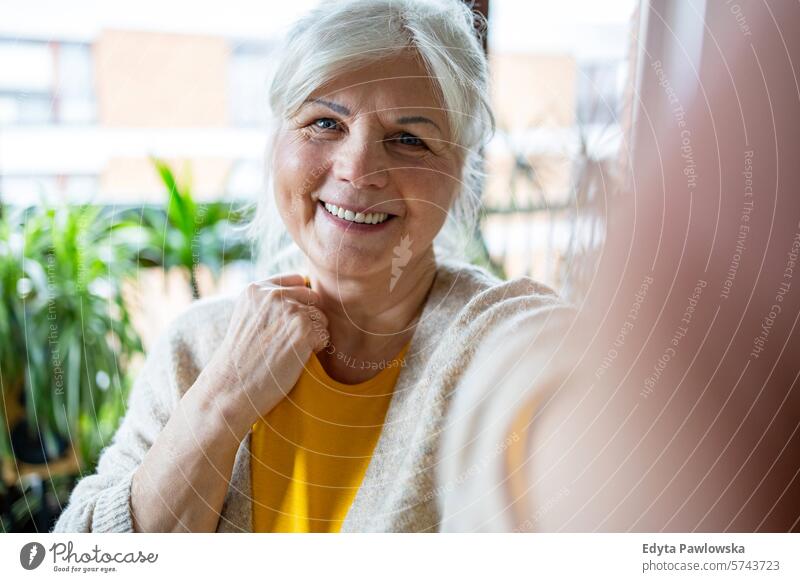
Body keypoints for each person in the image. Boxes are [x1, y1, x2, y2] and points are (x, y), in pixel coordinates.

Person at [53, 0, 570, 533]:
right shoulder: (198, 348)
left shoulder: (498, 339)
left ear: (462, 172)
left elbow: (569, 379)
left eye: (409, 138)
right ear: (275, 143)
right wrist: (225, 396)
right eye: (325, 122)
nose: (359, 169)